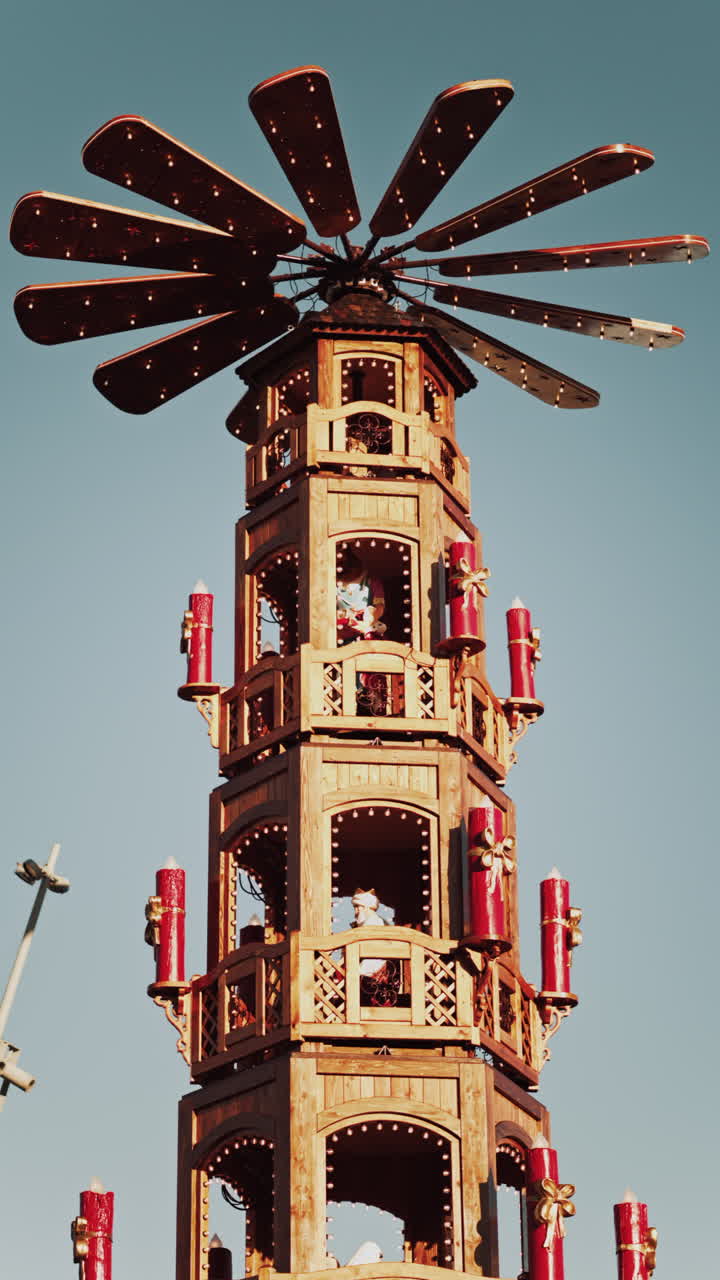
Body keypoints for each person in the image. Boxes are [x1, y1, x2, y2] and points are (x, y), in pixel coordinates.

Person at [336, 550, 386, 645]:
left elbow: (379, 606)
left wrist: (369, 619)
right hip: (341, 633)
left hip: (366, 632)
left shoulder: (372, 582)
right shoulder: (333, 584)